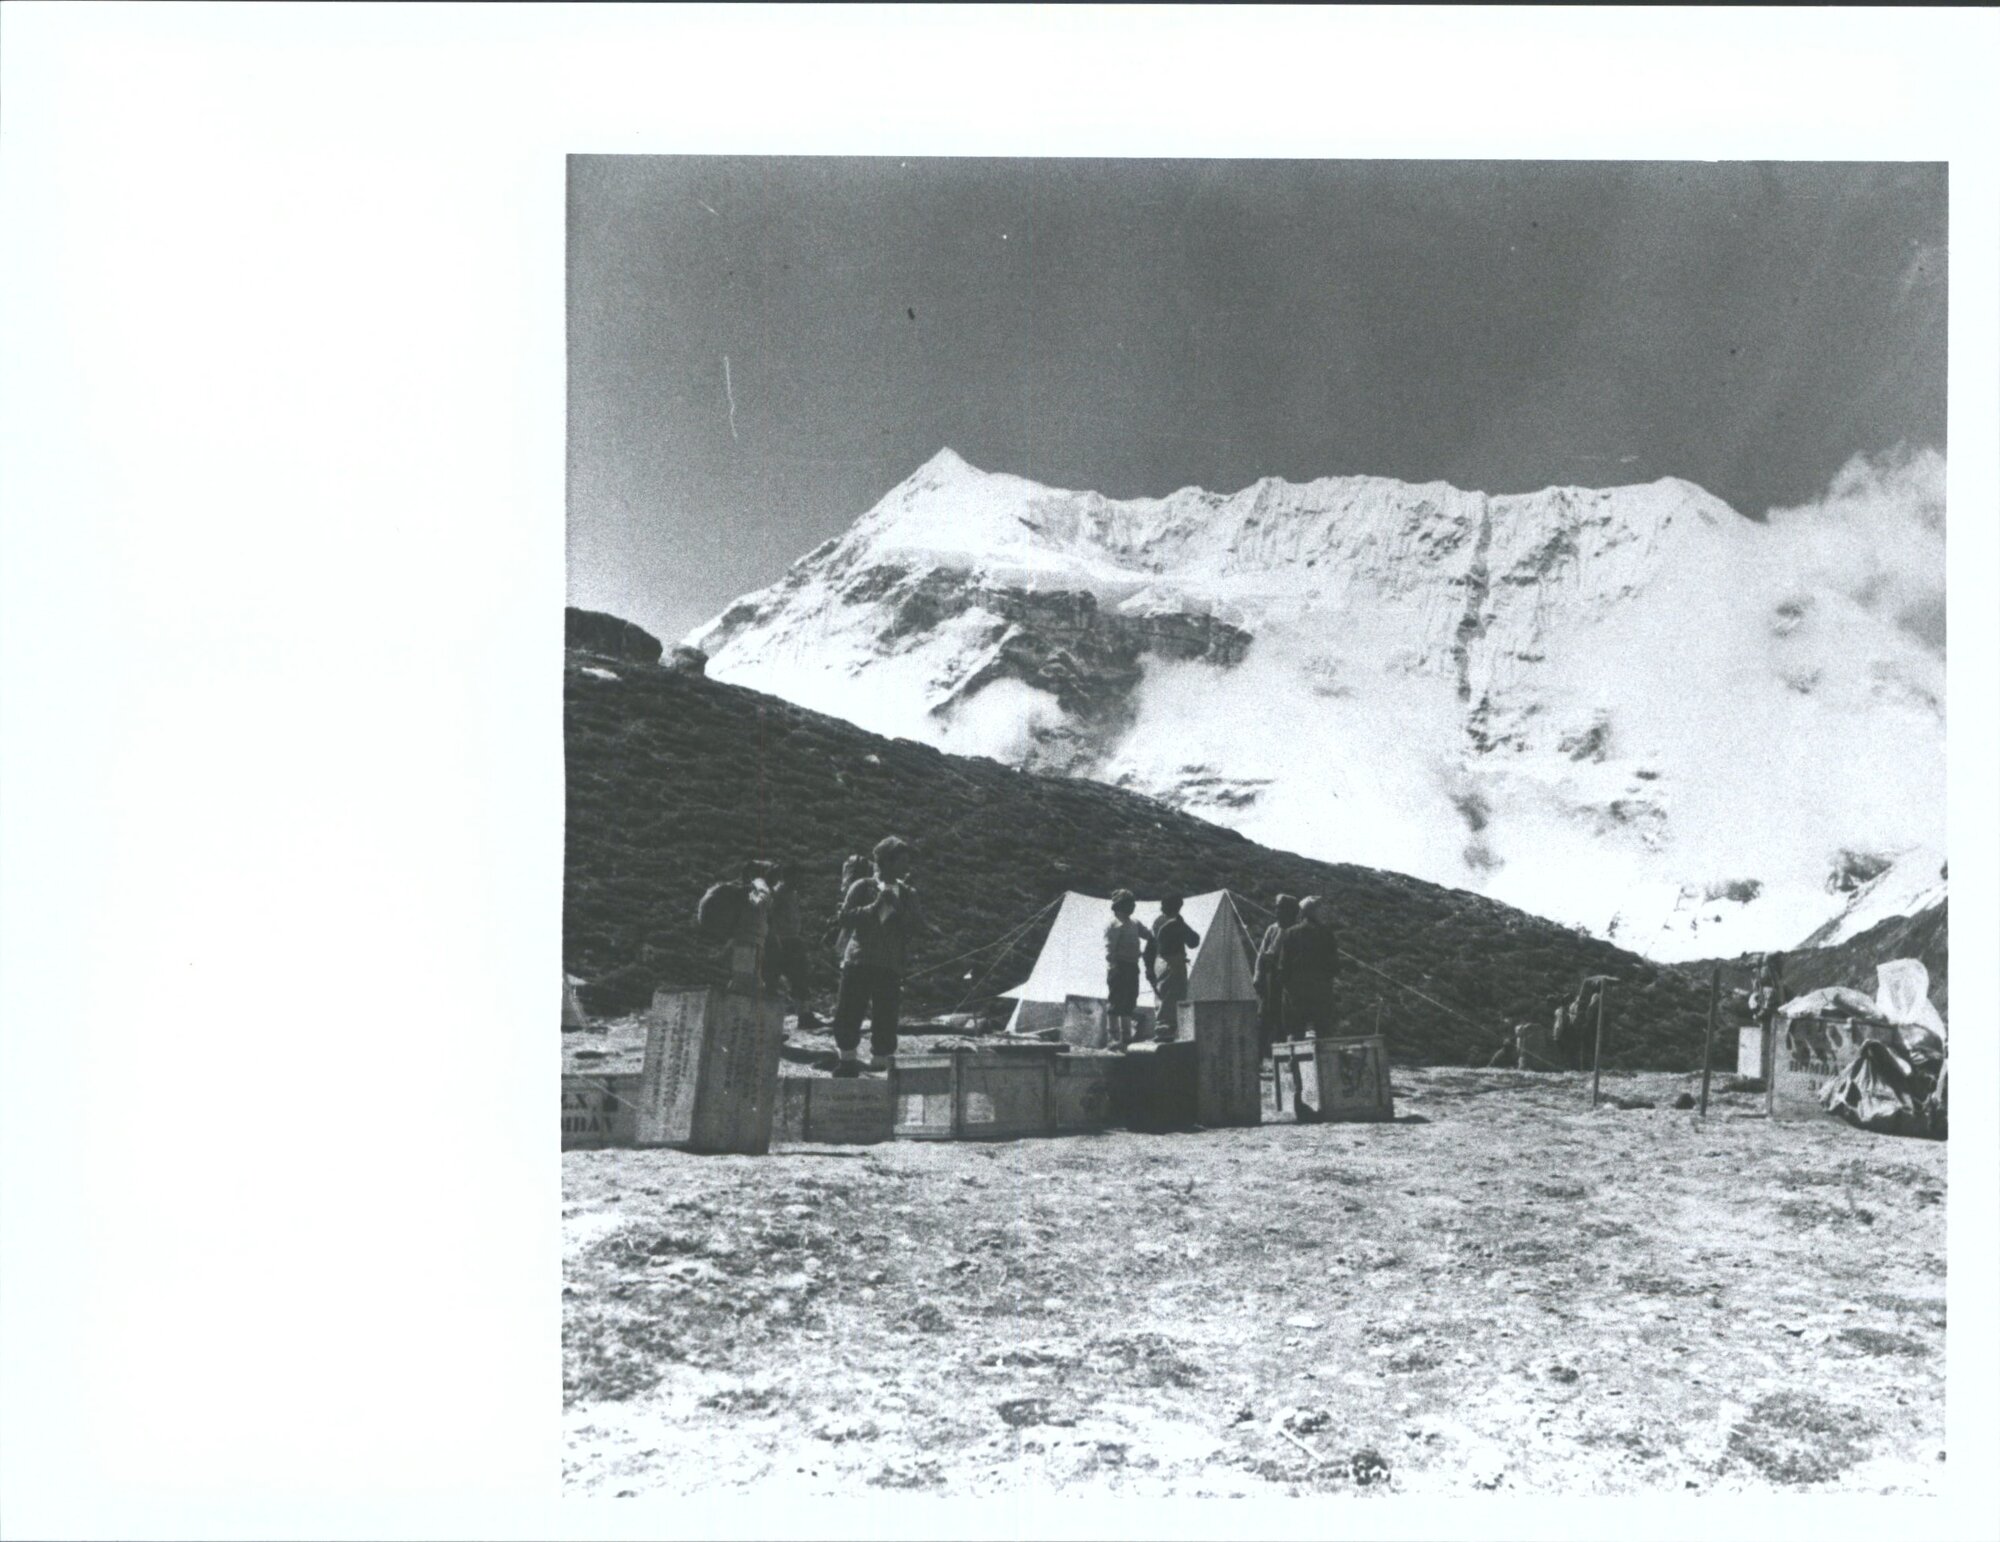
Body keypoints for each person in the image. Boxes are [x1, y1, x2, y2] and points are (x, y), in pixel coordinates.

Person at [829, 836, 942, 1076]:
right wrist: (874, 906)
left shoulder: (908, 893)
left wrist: (899, 910)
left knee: (886, 1018)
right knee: (849, 1012)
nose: (906, 868)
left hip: (890, 964)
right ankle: (847, 1061)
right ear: (885, 862)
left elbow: (917, 927)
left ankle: (879, 1064)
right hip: (859, 960)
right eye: (901, 862)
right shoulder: (862, 886)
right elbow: (845, 917)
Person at [761, 860, 818, 1032]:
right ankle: (767, 1023)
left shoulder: (791, 893)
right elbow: (768, 917)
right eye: (798, 877)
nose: (801, 881)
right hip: (779, 942)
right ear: (788, 877)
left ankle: (804, 1016)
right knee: (771, 982)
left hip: (792, 940)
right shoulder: (777, 893)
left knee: (800, 978)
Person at [1146, 896, 1202, 1042]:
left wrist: (1149, 969)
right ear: (1178, 906)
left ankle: (1162, 1029)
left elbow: (1149, 947)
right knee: (1174, 996)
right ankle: (1167, 1032)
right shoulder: (1176, 923)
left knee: (1161, 996)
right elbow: (1194, 941)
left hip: (1158, 961)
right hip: (1173, 962)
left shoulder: (1158, 922)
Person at [1103, 890, 1153, 1049]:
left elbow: (1150, 936)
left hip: (1132, 966)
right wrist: (1113, 966)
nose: (1133, 906)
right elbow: (1109, 949)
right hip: (1118, 966)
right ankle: (1113, 1038)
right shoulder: (1114, 925)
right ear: (1119, 906)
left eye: (1133, 903)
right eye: (1129, 903)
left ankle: (1126, 1037)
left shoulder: (1135, 923)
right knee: (1116, 1001)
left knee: (1130, 1000)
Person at [1253, 894, 1300, 1056]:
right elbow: (1261, 954)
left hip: (1288, 981)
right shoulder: (1272, 929)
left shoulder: (1296, 931)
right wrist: (1258, 976)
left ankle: (1283, 1058)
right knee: (1264, 1019)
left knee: (1285, 1021)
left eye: (1281, 908)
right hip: (1269, 979)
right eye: (1277, 908)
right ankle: (1257, 1058)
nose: (1277, 911)